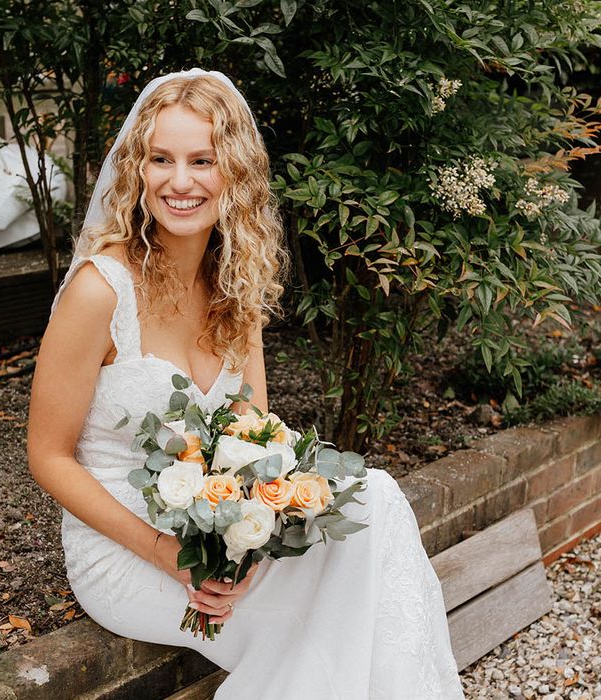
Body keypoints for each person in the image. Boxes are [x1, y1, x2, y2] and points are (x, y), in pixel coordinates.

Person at [27, 68, 464, 699]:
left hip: (223, 531)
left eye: (202, 160)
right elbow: (47, 455)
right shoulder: (99, 291)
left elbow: (254, 436)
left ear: (232, 171)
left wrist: (269, 525)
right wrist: (164, 551)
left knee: (376, 501)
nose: (180, 181)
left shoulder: (235, 285)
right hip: (126, 551)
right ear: (137, 170)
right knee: (333, 612)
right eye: (161, 159)